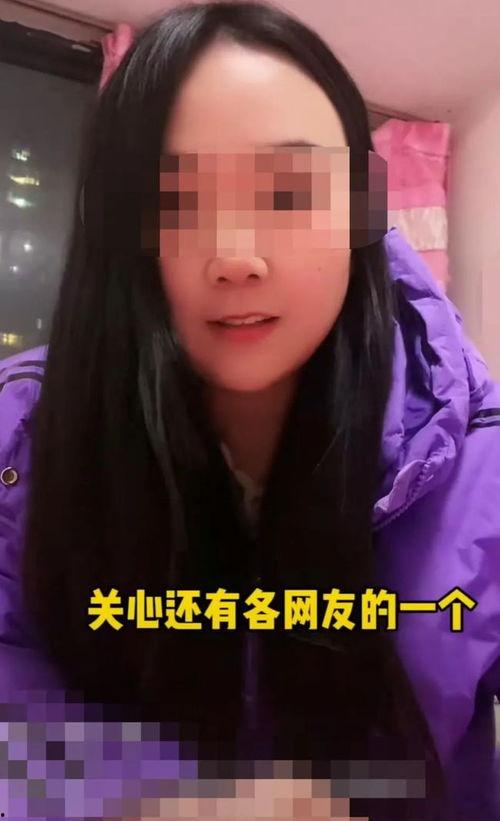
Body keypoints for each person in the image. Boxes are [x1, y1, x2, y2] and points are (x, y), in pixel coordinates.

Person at [0, 2, 498, 818]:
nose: (236, 256)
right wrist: (164, 798)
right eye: (177, 200)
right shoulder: (20, 440)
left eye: (290, 191)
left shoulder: (482, 463)